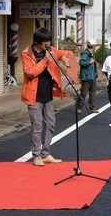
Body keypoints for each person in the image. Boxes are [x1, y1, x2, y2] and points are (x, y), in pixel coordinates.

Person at [21, 27, 73, 166]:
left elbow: (62, 53)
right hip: (34, 95)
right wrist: (44, 60)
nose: (48, 44)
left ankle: (45, 153)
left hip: (48, 94)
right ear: (38, 42)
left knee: (50, 124)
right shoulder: (27, 54)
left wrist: (64, 59)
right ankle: (36, 155)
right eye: (45, 42)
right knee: (37, 126)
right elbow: (30, 73)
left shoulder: (50, 49)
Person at [77, 39, 98, 114]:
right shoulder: (86, 54)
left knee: (93, 92)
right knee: (84, 93)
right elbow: (81, 62)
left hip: (92, 76)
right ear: (93, 46)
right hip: (86, 77)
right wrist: (89, 62)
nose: (96, 47)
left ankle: (92, 107)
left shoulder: (91, 53)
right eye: (95, 46)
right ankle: (79, 107)